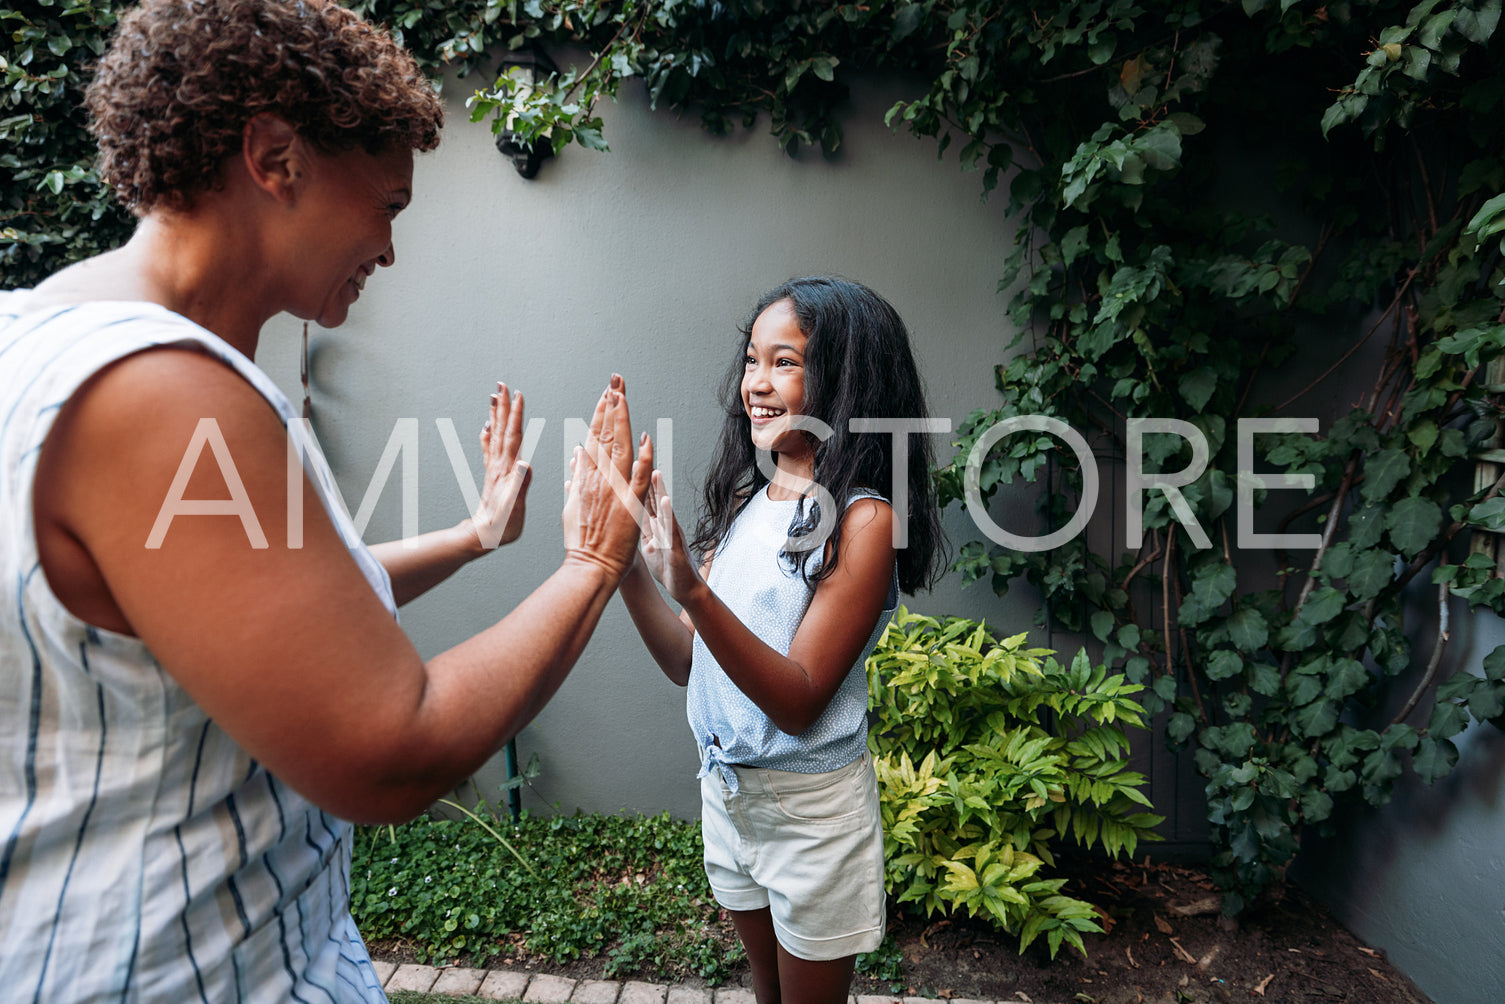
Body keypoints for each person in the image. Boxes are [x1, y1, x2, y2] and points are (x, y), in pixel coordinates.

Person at [0, 2, 652, 1001]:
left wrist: (475, 536)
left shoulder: (38, 333)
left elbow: (237, 618)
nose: (390, 249)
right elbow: (389, 750)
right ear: (274, 156)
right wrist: (591, 563)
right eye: (387, 206)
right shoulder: (162, 391)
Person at [618, 277, 944, 1003]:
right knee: (765, 990)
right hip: (727, 793)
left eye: (784, 362)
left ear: (845, 377)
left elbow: (798, 703)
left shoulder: (863, 522)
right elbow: (684, 659)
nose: (755, 385)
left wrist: (691, 588)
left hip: (809, 815)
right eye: (751, 360)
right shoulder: (744, 499)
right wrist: (620, 566)